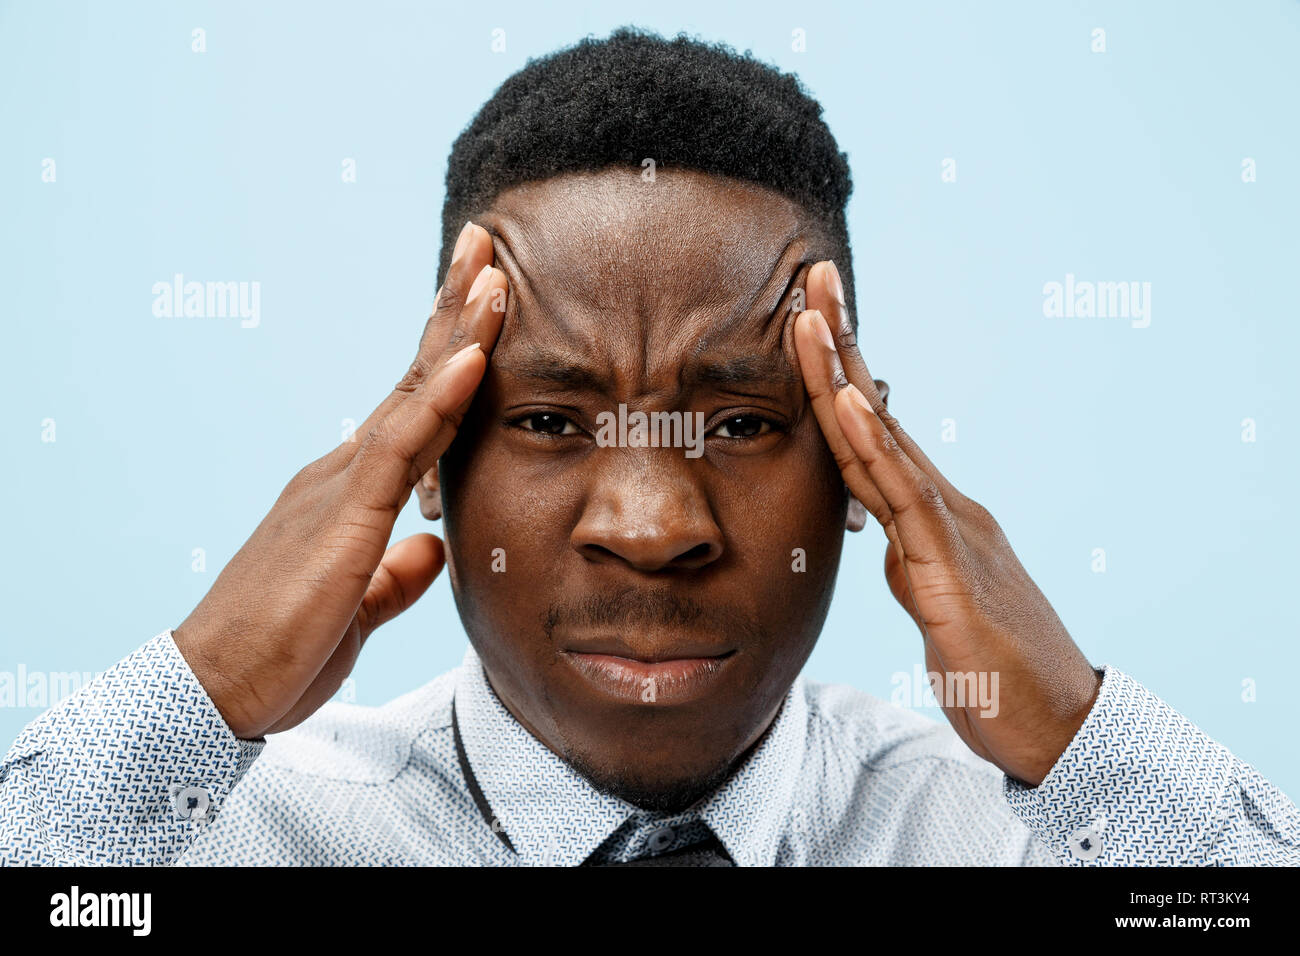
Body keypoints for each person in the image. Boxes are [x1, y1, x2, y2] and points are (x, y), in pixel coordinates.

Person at [3, 28, 1296, 866]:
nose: (650, 521)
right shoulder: (227, 845)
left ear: (861, 466)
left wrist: (1080, 740)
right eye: (551, 421)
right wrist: (198, 699)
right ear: (431, 460)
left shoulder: (1034, 844)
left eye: (740, 422)